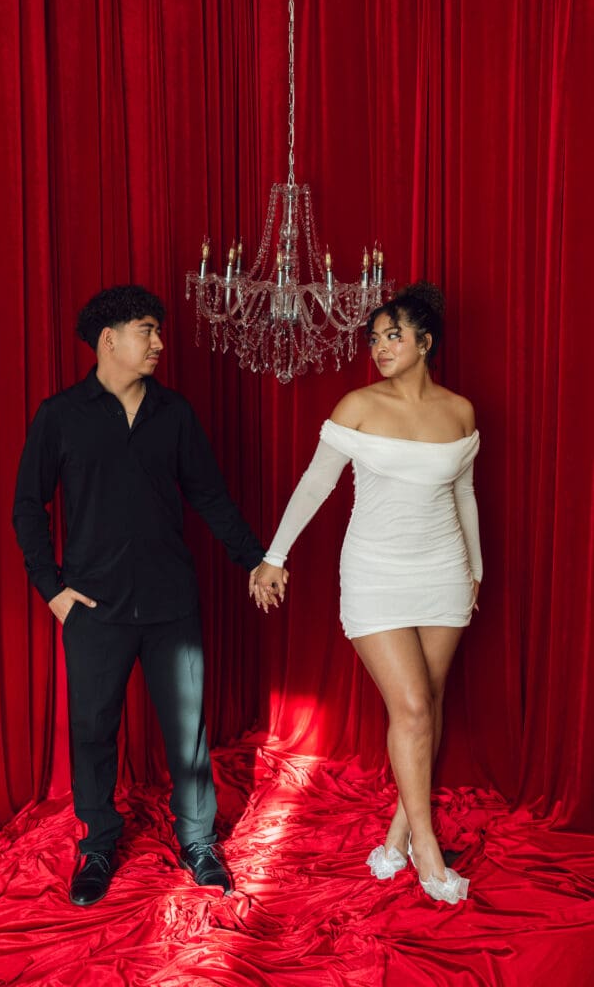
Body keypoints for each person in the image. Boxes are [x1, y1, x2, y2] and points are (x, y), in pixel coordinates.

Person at [13, 284, 272, 906]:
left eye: (157, 332)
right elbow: (28, 506)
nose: (158, 344)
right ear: (110, 340)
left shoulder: (175, 414)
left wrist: (256, 558)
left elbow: (209, 495)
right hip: (92, 608)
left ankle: (199, 841)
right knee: (94, 730)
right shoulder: (60, 415)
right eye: (147, 330)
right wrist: (52, 590)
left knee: (187, 731)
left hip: (170, 603)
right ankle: (99, 843)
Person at [251, 282, 481, 905]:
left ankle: (395, 839)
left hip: (444, 573)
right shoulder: (358, 405)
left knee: (426, 706)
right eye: (374, 338)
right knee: (410, 707)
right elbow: (314, 484)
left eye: (393, 336)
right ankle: (426, 848)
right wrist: (274, 555)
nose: (379, 347)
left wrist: (476, 570)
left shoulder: (459, 412)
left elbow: (464, 497)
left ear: (424, 342)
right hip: (376, 572)